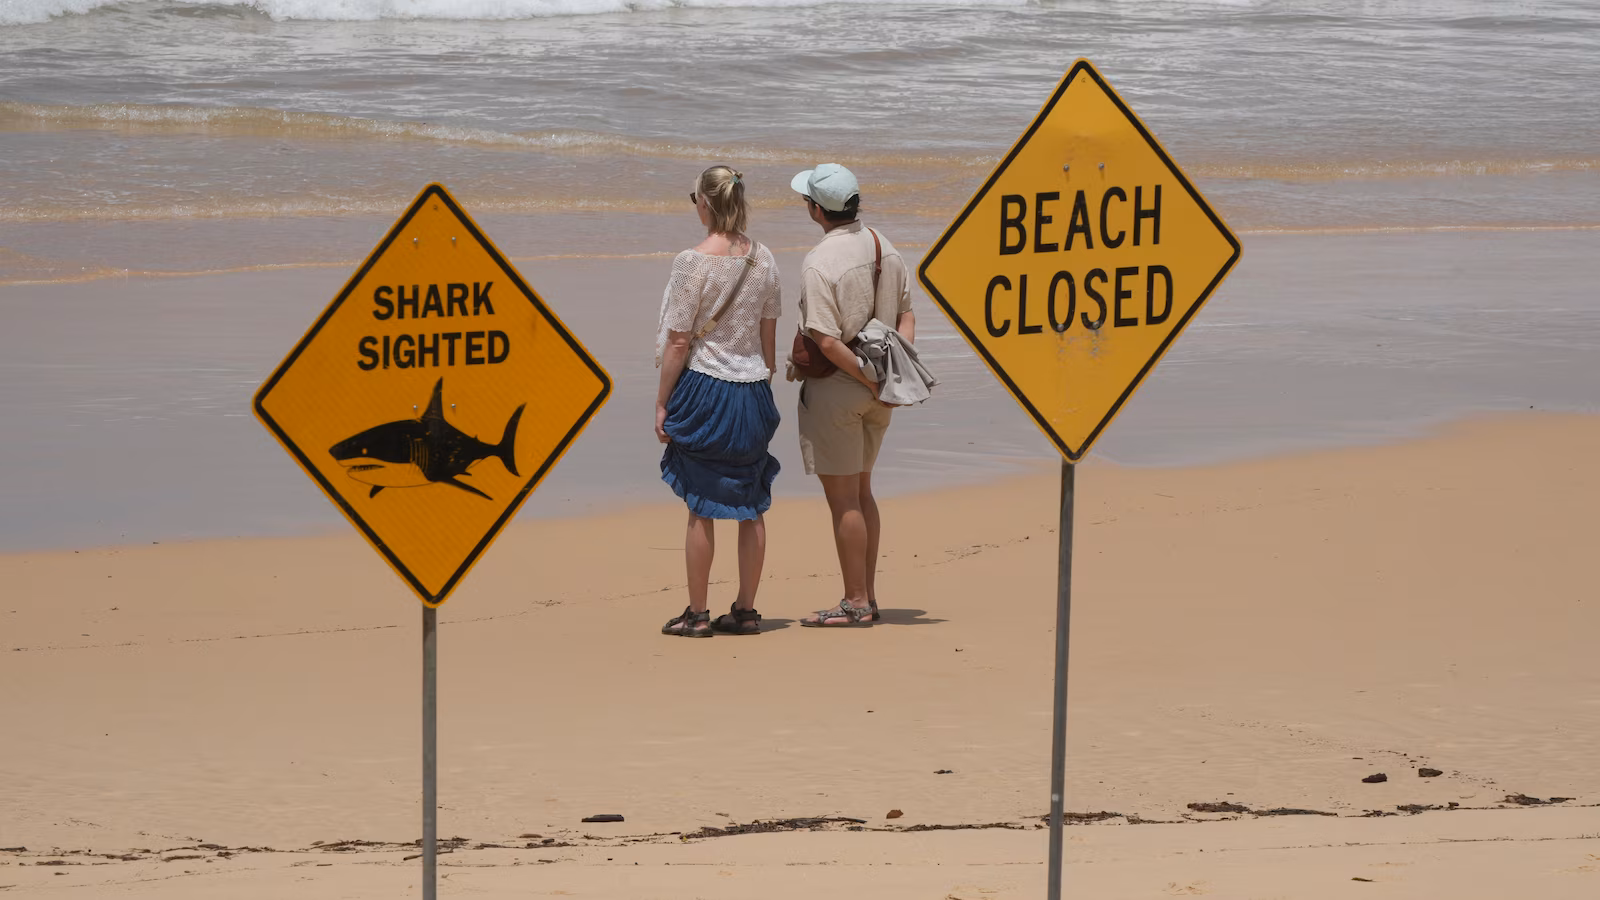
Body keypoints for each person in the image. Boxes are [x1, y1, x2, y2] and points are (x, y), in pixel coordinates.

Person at [656, 165, 783, 638]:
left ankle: (698, 614)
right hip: (752, 390)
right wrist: (762, 380)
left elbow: (677, 341)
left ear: (705, 203)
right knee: (752, 504)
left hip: (706, 389)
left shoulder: (691, 262)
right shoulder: (764, 258)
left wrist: (662, 403)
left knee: (700, 504)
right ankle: (746, 610)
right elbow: (768, 335)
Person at [788, 163, 915, 628]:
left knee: (844, 501)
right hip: (880, 390)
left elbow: (826, 341)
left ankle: (856, 601)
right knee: (862, 493)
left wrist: (868, 380)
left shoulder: (819, 262)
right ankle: (868, 596)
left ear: (816, 210)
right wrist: (890, 378)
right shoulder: (884, 245)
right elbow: (906, 317)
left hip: (842, 389)